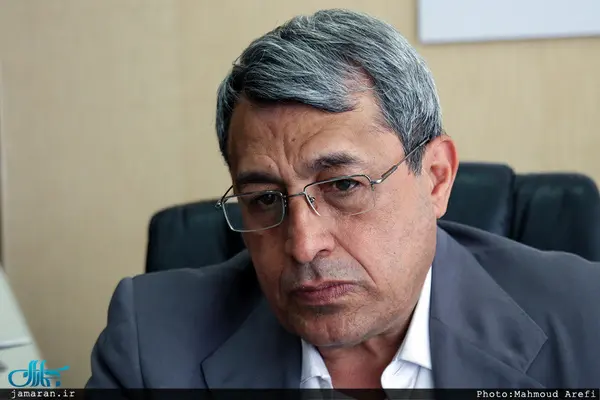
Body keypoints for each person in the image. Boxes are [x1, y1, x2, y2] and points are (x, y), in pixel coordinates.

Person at [86, 9, 600, 389]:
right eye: (263, 198)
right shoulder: (150, 342)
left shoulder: (584, 319)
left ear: (436, 178)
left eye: (343, 186)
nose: (303, 245)